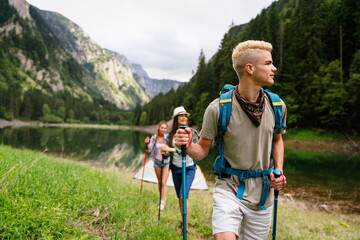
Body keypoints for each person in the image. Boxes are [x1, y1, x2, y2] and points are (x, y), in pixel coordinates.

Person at [174, 40, 287, 239]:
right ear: (250, 68)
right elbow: (201, 150)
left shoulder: (277, 105)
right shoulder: (218, 108)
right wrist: (187, 145)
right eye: (268, 63)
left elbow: (277, 140)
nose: (274, 68)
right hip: (229, 189)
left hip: (263, 195)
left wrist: (278, 170)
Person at [160, 106, 197, 230]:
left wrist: (169, 149)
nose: (184, 117)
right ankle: (183, 220)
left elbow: (183, 151)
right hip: (175, 169)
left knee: (183, 196)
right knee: (179, 198)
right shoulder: (170, 135)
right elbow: (170, 151)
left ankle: (185, 227)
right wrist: (165, 152)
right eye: (181, 115)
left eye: (185, 115)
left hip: (188, 168)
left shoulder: (189, 132)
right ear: (176, 118)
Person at [145, 120, 169, 211]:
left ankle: (163, 202)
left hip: (166, 161)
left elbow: (171, 148)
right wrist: (147, 143)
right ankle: (161, 197)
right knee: (159, 181)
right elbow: (150, 149)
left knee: (163, 182)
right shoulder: (154, 138)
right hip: (157, 161)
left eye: (165, 128)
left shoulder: (167, 138)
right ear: (159, 128)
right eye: (162, 127)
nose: (163, 129)